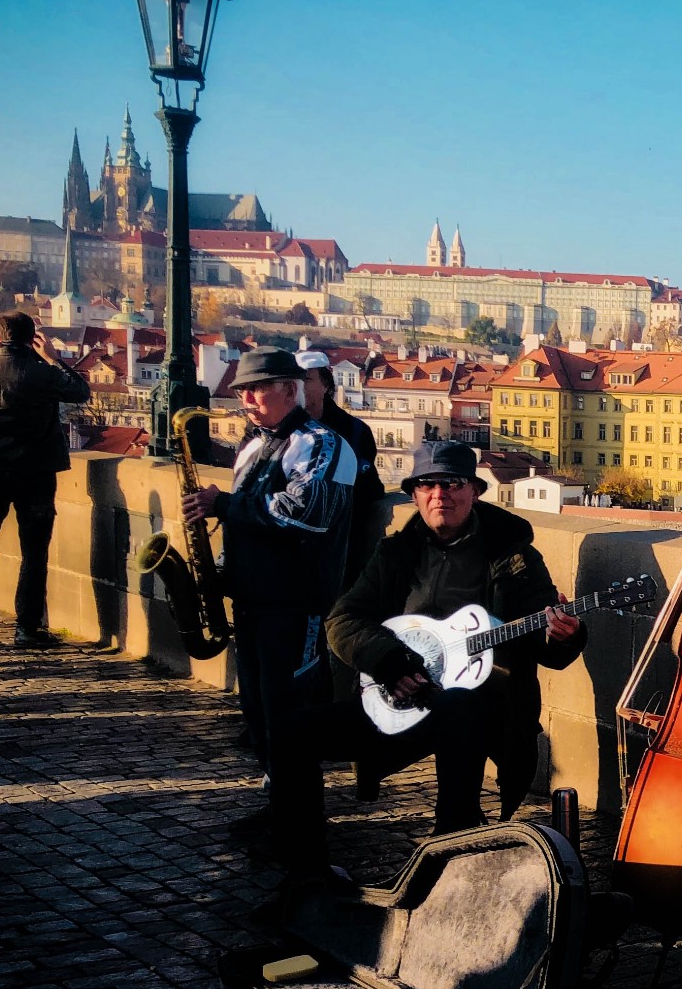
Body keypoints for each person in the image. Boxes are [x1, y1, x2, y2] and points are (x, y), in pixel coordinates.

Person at [265, 440, 583, 868]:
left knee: (460, 705)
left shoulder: (513, 557)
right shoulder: (395, 554)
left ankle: (452, 840)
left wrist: (563, 635)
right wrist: (388, 662)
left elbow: (545, 648)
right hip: (404, 694)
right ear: (414, 494)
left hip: (487, 710)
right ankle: (303, 867)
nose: (440, 495)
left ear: (474, 490)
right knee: (289, 732)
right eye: (428, 485)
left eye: (452, 484)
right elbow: (342, 620)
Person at [182, 348, 355, 797]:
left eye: (258, 389)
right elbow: (246, 525)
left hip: (294, 603)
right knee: (257, 709)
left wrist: (222, 504)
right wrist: (217, 570)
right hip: (253, 597)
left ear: (290, 389)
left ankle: (298, 823)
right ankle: (276, 804)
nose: (248, 400)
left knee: (290, 712)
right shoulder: (254, 445)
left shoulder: (322, 444)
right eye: (242, 391)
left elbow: (305, 514)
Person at [0, 311, 91, 650]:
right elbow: (80, 392)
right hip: (35, 472)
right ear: (32, 337)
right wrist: (53, 358)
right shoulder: (44, 374)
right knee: (34, 553)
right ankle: (27, 629)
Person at [295, 349, 387, 585]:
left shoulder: (356, 431)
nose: (298, 386)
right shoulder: (280, 430)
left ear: (326, 385)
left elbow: (370, 493)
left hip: (343, 550)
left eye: (306, 378)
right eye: (293, 380)